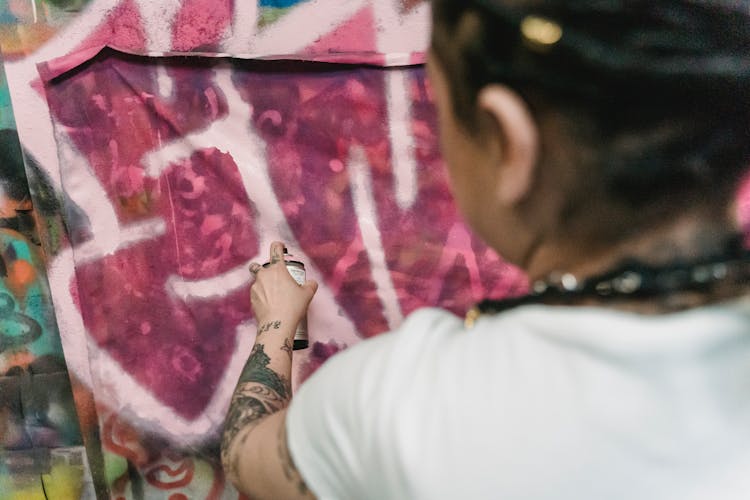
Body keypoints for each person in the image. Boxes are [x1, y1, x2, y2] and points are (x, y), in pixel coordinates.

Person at [221, 1, 750, 498]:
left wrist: (276, 322)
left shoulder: (402, 408)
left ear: (507, 142)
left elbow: (246, 452)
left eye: (439, 106)